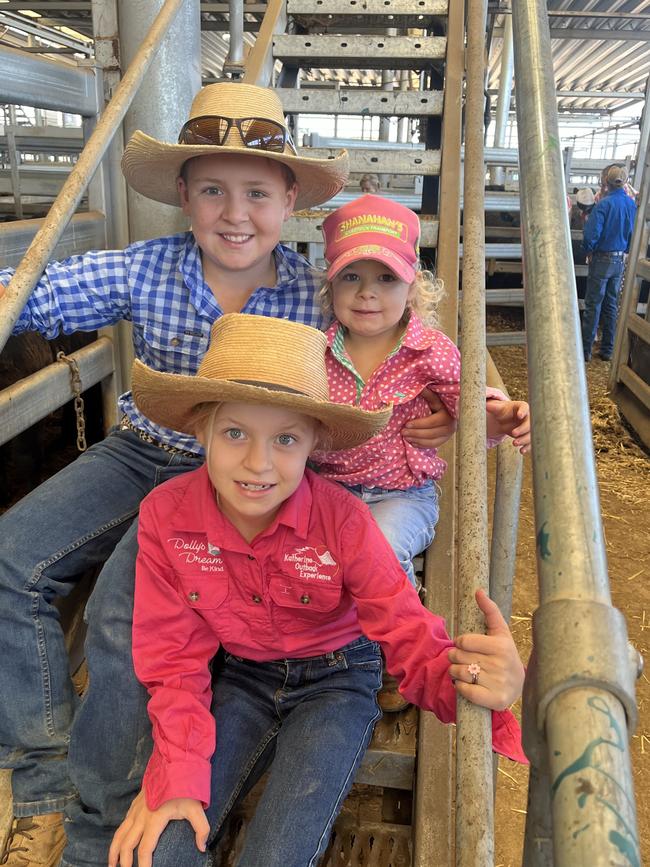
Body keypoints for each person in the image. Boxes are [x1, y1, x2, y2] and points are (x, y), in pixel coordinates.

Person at [0, 82, 456, 867]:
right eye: (212, 190)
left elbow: (400, 337)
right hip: (145, 449)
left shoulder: (320, 291)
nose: (234, 214)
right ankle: (43, 784)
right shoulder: (146, 267)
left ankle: (103, 815)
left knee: (117, 612)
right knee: (11, 554)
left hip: (250, 473)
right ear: (183, 195)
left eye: (256, 193)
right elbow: (34, 295)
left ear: (289, 203)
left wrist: (450, 404)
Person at [108, 312, 527, 867]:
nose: (258, 463)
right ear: (200, 430)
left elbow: (407, 630)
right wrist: (177, 772)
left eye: (284, 438)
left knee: (278, 856)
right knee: (162, 851)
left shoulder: (345, 522)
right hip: (241, 675)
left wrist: (476, 680)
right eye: (235, 432)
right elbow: (174, 655)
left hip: (339, 679)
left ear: (313, 445)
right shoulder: (166, 516)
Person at [311, 195, 531, 589]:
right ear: (331, 284)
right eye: (351, 276)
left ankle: (402, 641)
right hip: (324, 492)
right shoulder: (317, 351)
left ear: (412, 287)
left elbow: (467, 402)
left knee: (379, 549)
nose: (366, 292)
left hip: (399, 495)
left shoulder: (430, 351)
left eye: (386, 278)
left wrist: (504, 414)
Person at [581, 165, 637, 363]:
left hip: (602, 258)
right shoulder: (631, 205)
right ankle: (608, 350)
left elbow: (591, 234)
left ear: (606, 182)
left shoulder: (603, 205)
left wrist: (588, 249)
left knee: (593, 304)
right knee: (611, 304)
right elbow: (633, 233)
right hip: (619, 258)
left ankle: (585, 350)